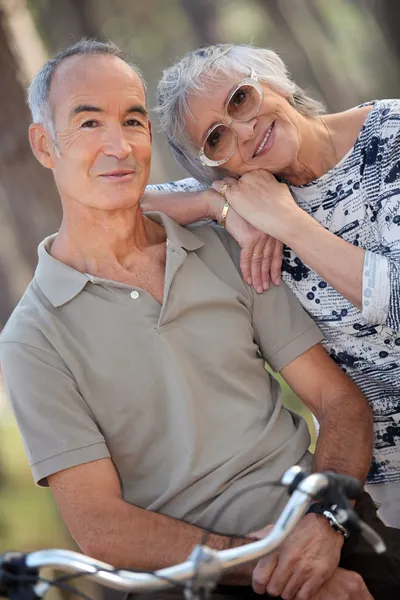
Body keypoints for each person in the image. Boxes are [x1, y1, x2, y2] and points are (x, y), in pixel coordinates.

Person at [0, 39, 398, 600]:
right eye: (88, 123)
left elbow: (340, 403)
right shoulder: (31, 339)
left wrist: (322, 524)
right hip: (196, 575)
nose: (119, 145)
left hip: (325, 522)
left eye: (132, 121)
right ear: (44, 145)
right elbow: (99, 526)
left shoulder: (228, 250)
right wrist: (261, 563)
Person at [143, 42, 400, 528]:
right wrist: (215, 205)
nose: (243, 132)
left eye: (240, 99)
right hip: (372, 484)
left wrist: (286, 222)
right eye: (217, 138)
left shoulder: (390, 134)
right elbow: (110, 202)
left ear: (276, 81)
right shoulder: (245, 193)